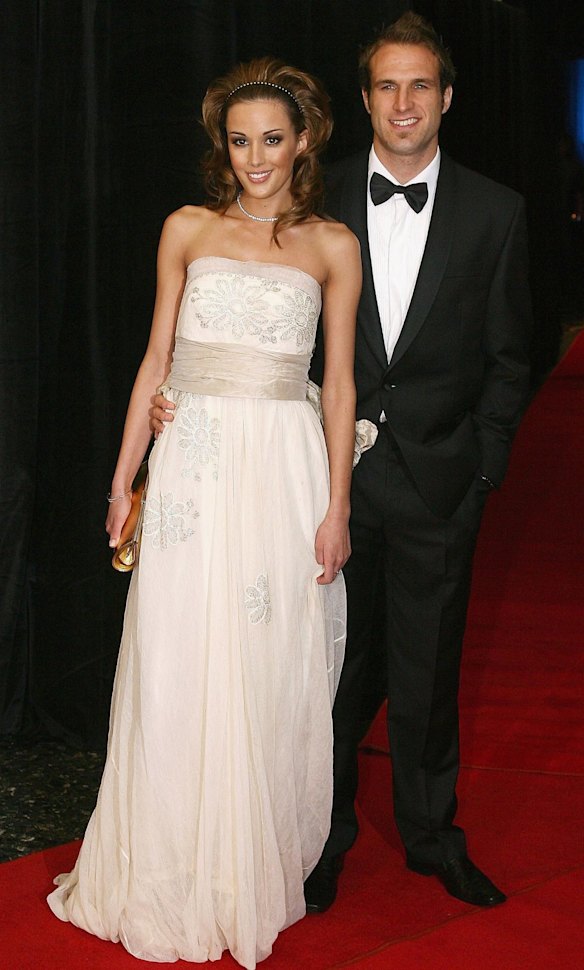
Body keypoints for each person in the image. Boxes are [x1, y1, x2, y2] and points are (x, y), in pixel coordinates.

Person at [153, 12, 532, 913]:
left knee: (428, 675)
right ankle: (317, 845)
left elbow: (512, 356)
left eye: (421, 86)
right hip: (322, 483)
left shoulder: (497, 210)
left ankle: (433, 840)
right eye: (387, 86)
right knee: (321, 675)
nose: (403, 104)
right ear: (363, 100)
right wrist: (184, 391)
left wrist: (483, 467)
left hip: (441, 480)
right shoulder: (312, 209)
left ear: (446, 98)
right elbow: (246, 321)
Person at [47, 57, 360, 968]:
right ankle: (168, 866)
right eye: (239, 140)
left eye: (272, 139)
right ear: (221, 145)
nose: (256, 158)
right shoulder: (185, 228)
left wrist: (338, 503)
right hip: (191, 471)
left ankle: (243, 868)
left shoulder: (332, 246)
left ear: (302, 142)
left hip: (283, 472)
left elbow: (337, 388)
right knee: (177, 657)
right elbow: (154, 361)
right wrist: (122, 482)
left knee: (262, 661)